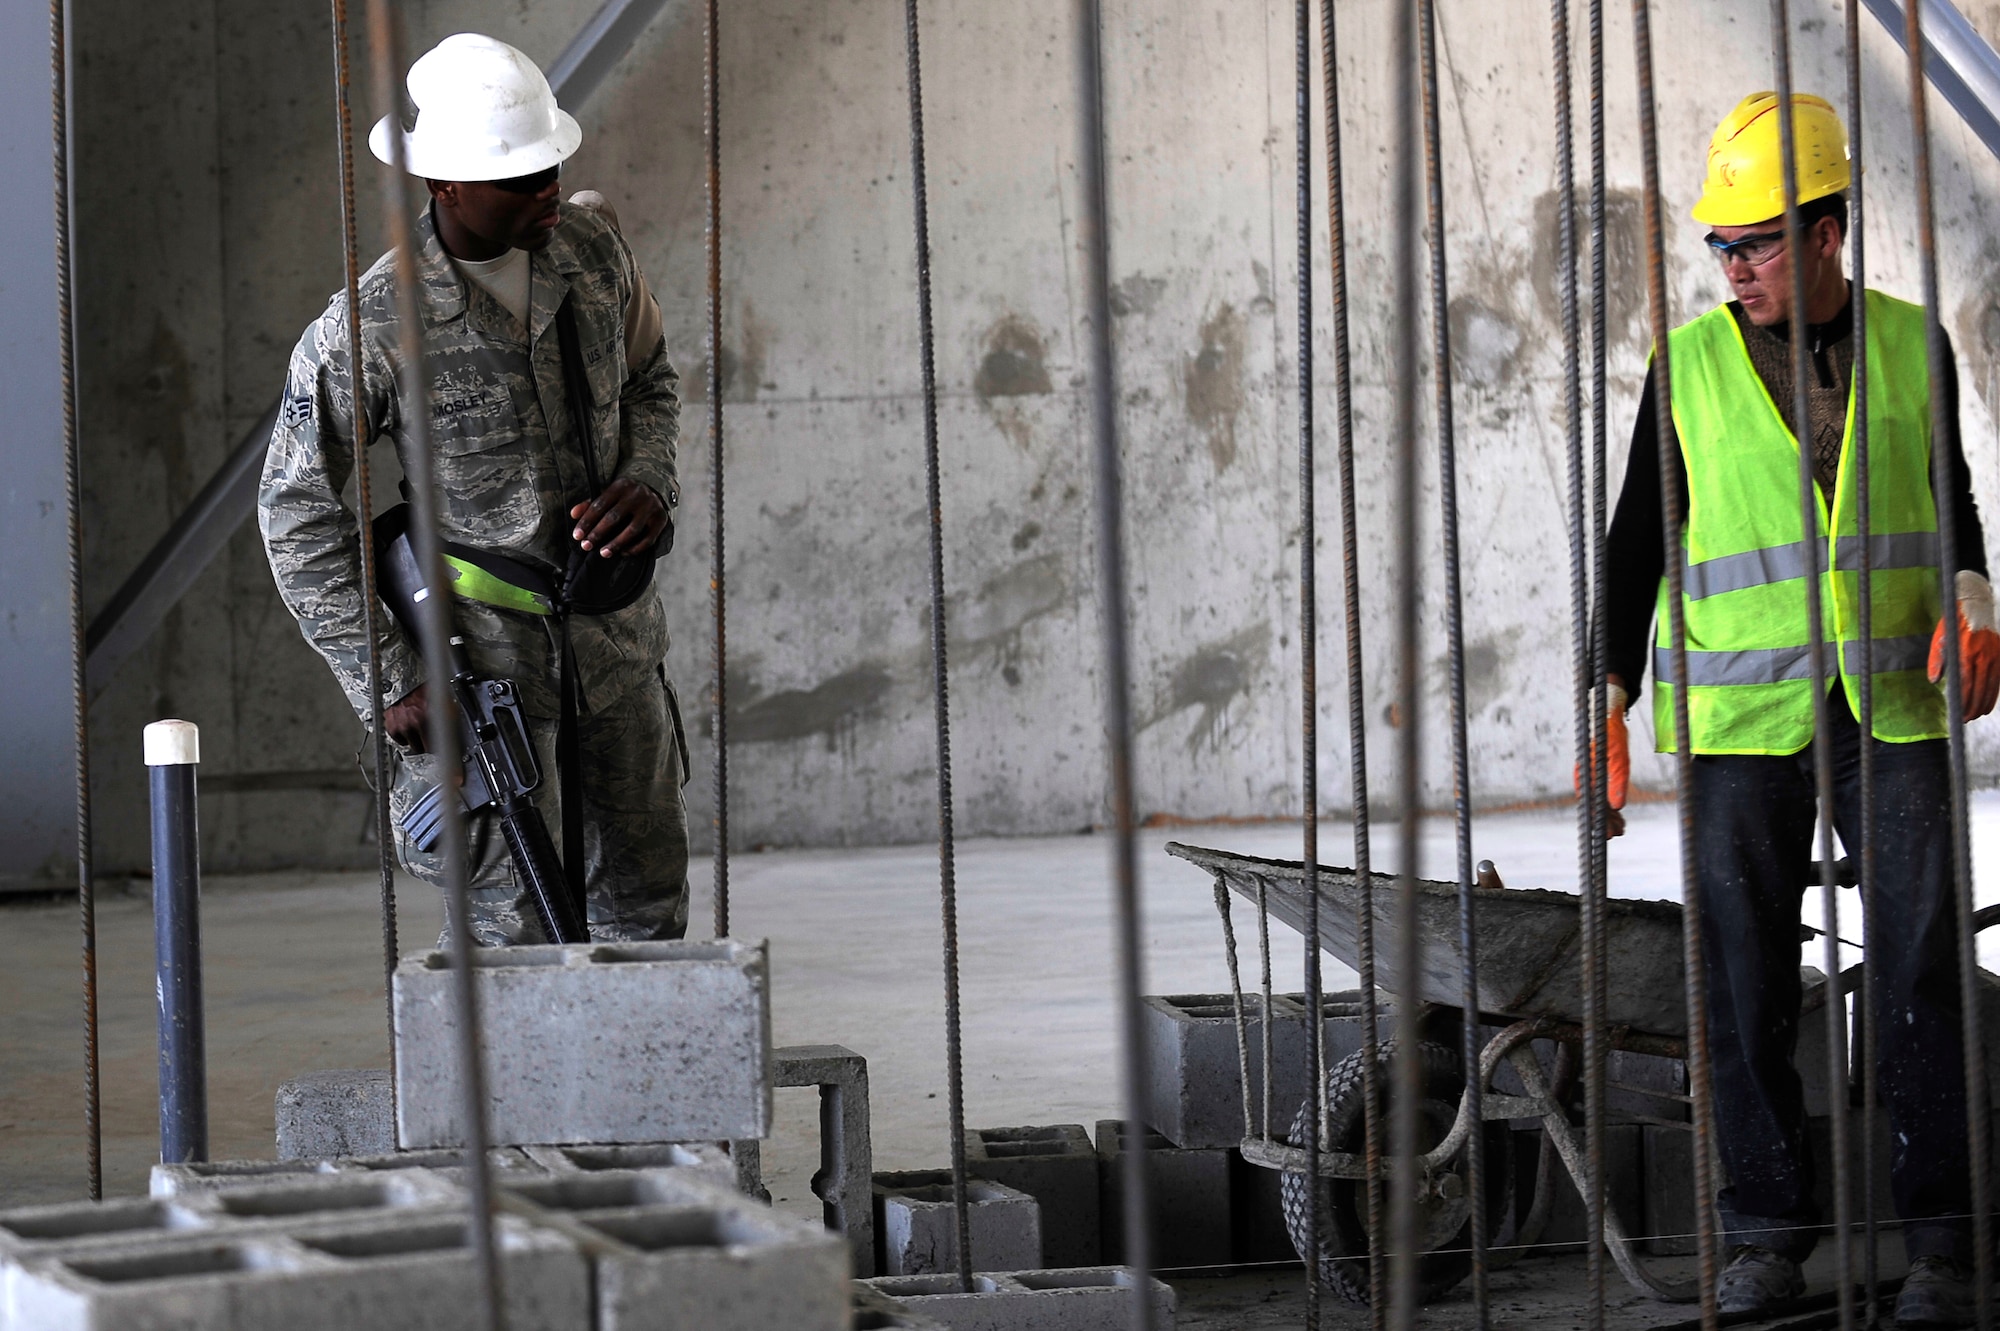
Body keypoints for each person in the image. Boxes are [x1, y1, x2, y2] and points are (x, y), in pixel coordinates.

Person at [1596, 91, 2000, 1324]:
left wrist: (1977, 601)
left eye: (1757, 241)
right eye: (1719, 245)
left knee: (1927, 971)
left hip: (1890, 705)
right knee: (1741, 977)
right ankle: (1764, 1234)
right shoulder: (1685, 364)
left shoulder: (1908, 343)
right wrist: (1604, 694)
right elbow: (1632, 550)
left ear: (1827, 233)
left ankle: (1942, 1240)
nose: (1732, 268)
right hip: (1740, 726)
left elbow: (1953, 509)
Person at [260, 33, 690, 945]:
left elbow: (653, 380)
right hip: (481, 675)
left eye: (552, 167)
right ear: (444, 184)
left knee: (647, 926)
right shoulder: (374, 324)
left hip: (615, 654)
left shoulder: (594, 253)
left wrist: (650, 480)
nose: (546, 192)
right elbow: (293, 507)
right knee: (514, 943)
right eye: (519, 178)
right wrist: (387, 676)